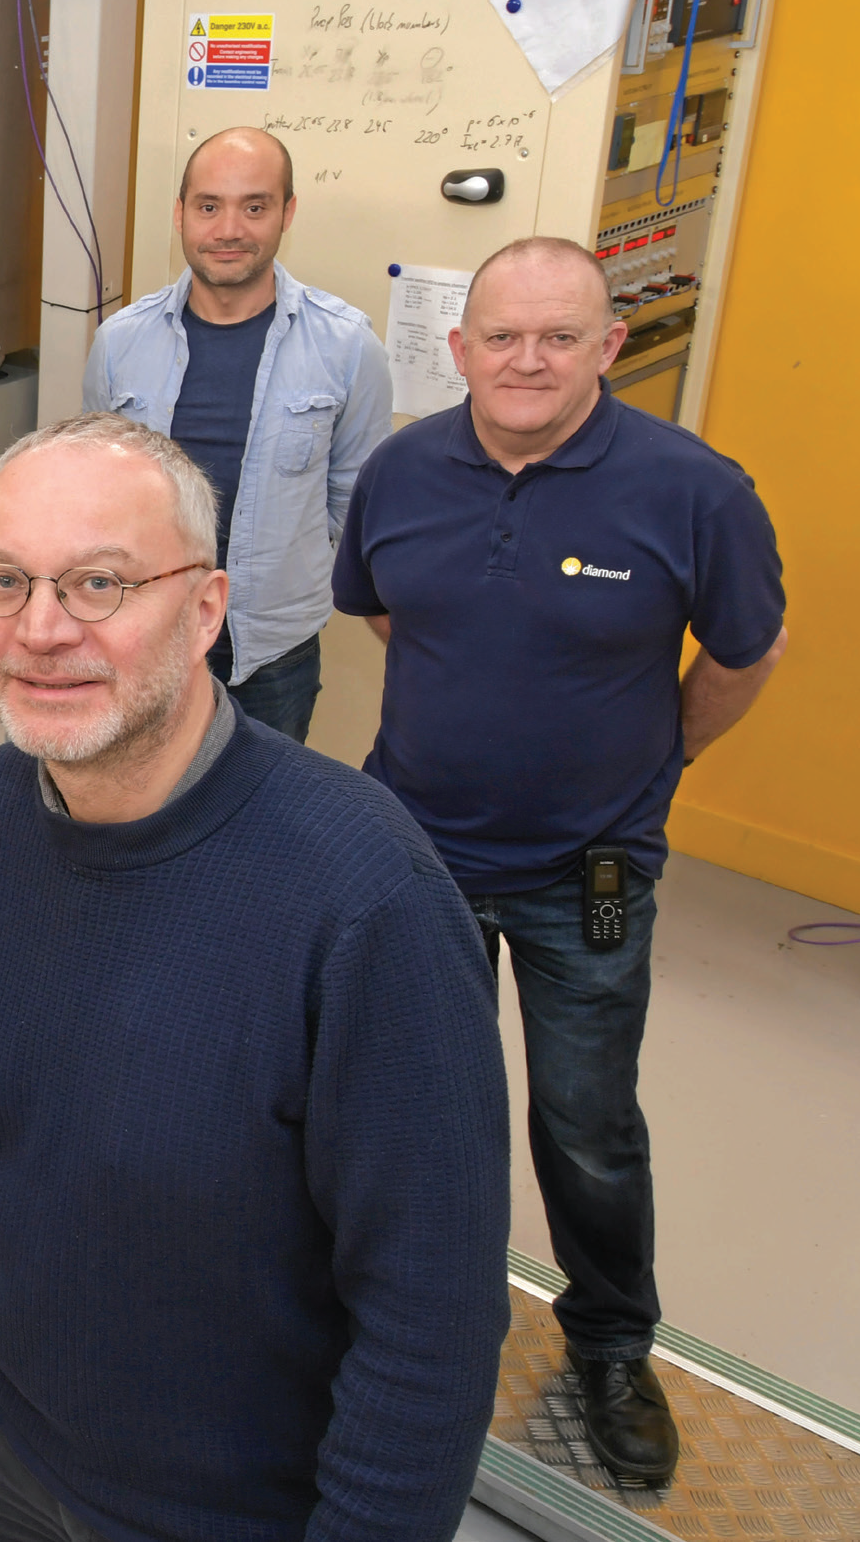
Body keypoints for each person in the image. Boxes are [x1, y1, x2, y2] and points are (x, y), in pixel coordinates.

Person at [0, 413, 510, 1542]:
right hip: (1, 1451)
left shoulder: (369, 903)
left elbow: (430, 1321)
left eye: (97, 585)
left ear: (206, 607)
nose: (37, 630)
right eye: (2, 580)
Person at [334, 237, 788, 1487]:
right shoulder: (401, 470)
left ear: (606, 345)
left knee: (584, 1124)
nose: (524, 360)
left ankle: (605, 1343)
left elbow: (746, 652)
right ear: (457, 347)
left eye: (556, 336)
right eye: (501, 336)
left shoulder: (693, 490)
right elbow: (385, 608)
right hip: (412, 855)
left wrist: (653, 767)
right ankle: (411, 1315)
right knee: (414, 1104)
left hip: (586, 872)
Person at [83, 127, 390, 741]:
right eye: (208, 206)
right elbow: (97, 491)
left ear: (287, 213)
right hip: (140, 633)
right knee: (135, 815)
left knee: (259, 821)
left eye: (255, 206)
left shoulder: (348, 346)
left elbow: (354, 500)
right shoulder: (120, 343)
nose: (229, 229)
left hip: (272, 651)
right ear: (180, 215)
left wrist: (283, 573)